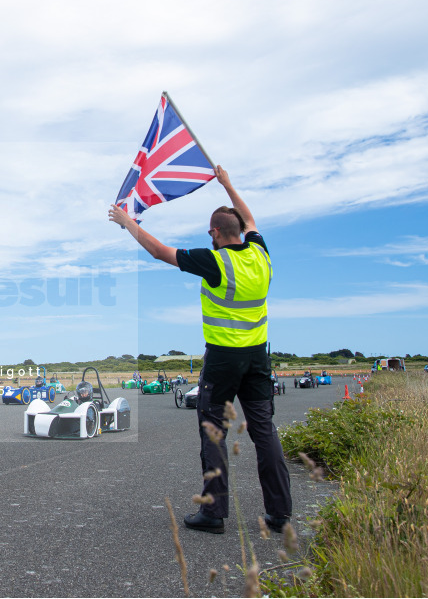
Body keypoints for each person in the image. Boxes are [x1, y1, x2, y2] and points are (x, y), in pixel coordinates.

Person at [108, 165, 292, 535]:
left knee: (213, 432)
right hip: (258, 358)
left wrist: (127, 221)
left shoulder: (216, 262)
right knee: (264, 432)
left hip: (223, 359)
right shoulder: (261, 254)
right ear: (240, 230)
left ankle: (213, 512)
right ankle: (280, 513)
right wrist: (228, 184)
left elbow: (160, 251)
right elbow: (251, 217)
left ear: (215, 232)